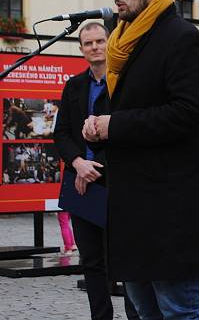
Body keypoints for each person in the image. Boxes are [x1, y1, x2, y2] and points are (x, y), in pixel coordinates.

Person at [82, 0, 199, 320]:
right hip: (132, 209)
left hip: (171, 210)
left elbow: (188, 115)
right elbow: (139, 109)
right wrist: (101, 125)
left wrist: (113, 125)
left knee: (181, 311)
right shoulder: (124, 43)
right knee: (145, 312)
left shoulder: (182, 38)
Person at [53, 22, 144, 320]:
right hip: (82, 184)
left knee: (126, 259)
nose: (94, 47)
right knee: (91, 261)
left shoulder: (124, 83)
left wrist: (94, 165)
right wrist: (79, 163)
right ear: (81, 50)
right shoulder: (74, 86)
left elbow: (127, 130)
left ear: (110, 43)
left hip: (117, 182)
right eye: (88, 43)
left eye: (99, 41)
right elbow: (62, 134)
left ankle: (135, 315)